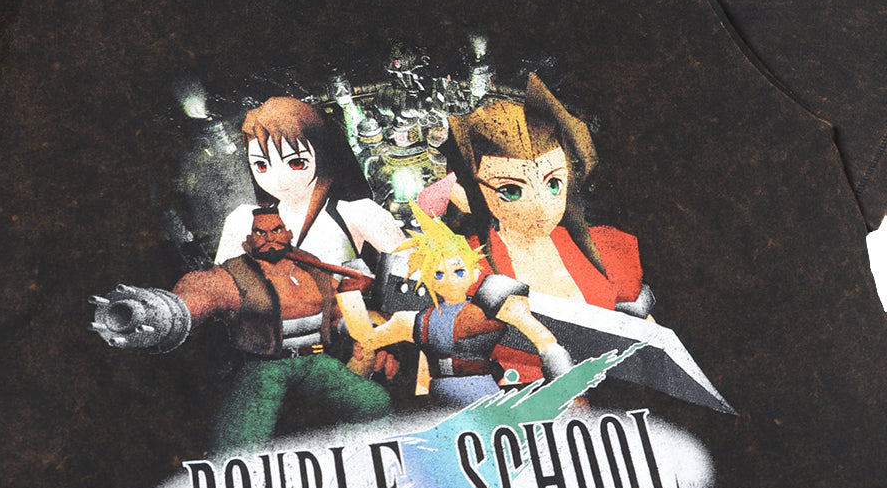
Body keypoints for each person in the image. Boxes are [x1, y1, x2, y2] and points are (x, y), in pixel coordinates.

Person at [90, 208, 393, 452]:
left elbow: (338, 311)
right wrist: (158, 313)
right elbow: (200, 293)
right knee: (236, 447)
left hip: (316, 362)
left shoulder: (311, 267)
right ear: (250, 238)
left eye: (276, 230)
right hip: (265, 368)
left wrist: (365, 333)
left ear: (287, 233)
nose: (269, 238)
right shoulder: (233, 275)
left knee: (374, 402)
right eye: (261, 232)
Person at [420, 75, 651, 384]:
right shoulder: (465, 262)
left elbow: (653, 345)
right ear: (472, 192)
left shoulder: (606, 247)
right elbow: (443, 352)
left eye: (553, 184)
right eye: (511, 190)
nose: (542, 208)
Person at [353, 204, 573, 404]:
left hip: (483, 396)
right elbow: (366, 343)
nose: (449, 280)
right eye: (439, 274)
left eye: (458, 271)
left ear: (474, 273)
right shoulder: (413, 320)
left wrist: (569, 390)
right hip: (439, 400)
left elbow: (546, 343)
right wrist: (357, 313)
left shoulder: (493, 303)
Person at [215, 96, 405, 266]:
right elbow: (221, 286)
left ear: (322, 155)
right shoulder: (242, 220)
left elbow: (414, 272)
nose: (278, 179)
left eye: (296, 163)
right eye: (261, 165)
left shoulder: (359, 213)